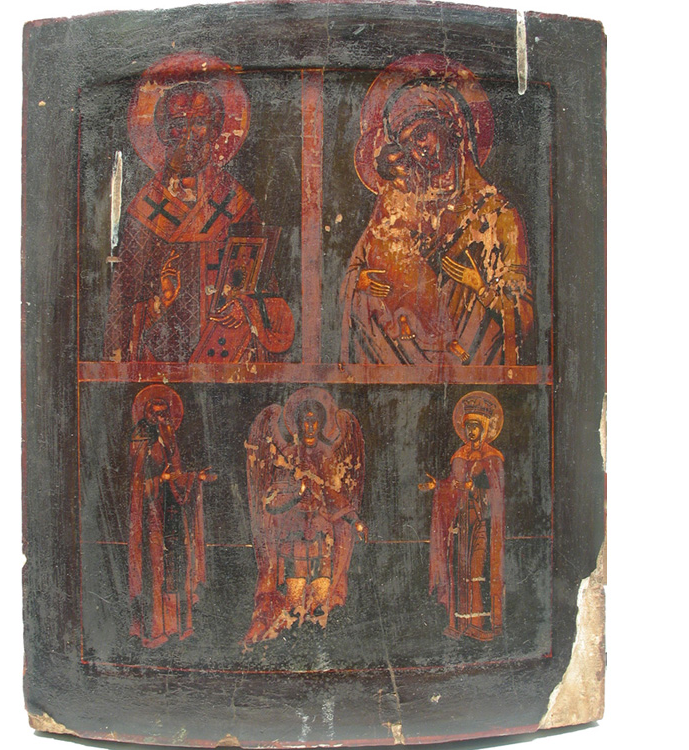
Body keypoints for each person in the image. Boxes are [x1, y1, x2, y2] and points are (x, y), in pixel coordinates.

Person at [341, 55, 534, 366]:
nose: (418, 149)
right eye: (407, 144)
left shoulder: (498, 214)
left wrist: (480, 287)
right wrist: (361, 283)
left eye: (422, 134)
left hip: (473, 369)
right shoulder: (396, 209)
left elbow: (524, 317)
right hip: (399, 363)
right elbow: (355, 275)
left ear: (451, 128)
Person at [104, 52, 294, 363]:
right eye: (179, 123)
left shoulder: (238, 202)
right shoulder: (144, 209)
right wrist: (157, 304)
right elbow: (122, 307)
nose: (189, 133)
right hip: (161, 357)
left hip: (226, 354)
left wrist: (246, 308)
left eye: (201, 122)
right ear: (164, 130)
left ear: (216, 130)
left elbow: (266, 291)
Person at [244, 388, 366, 645]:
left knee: (322, 580)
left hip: (321, 529)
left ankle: (317, 630)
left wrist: (354, 520)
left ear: (321, 424)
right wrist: (297, 492)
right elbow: (273, 499)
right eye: (305, 421)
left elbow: (333, 493)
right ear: (298, 423)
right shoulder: (289, 454)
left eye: (315, 421)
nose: (310, 426)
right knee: (296, 582)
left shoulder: (327, 454)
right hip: (294, 530)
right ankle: (293, 631)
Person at [127, 385, 216, 648]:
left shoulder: (170, 441)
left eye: (165, 415)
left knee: (177, 567)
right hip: (153, 516)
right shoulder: (141, 441)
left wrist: (196, 478)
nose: (162, 419)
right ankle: (155, 630)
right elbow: (138, 484)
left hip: (173, 513)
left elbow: (177, 476)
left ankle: (178, 628)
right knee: (156, 571)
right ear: (148, 416)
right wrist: (160, 479)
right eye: (156, 415)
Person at [423, 391, 505, 640]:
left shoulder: (493, 458)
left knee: (478, 571)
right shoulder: (459, 455)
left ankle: (480, 625)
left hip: (481, 523)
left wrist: (475, 490)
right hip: (460, 522)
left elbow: (497, 494)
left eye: (475, 427)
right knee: (460, 572)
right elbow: (452, 485)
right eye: (468, 427)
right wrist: (437, 486)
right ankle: (460, 625)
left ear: (484, 428)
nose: (471, 432)